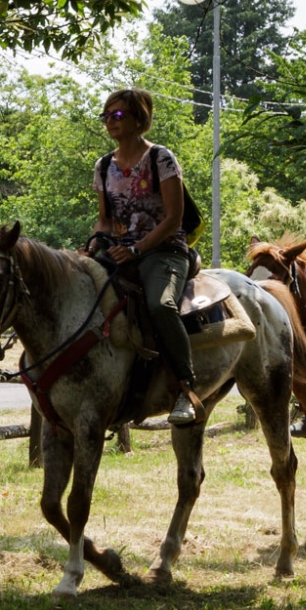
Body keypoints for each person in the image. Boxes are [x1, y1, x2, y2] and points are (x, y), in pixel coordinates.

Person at [91, 88, 197, 425]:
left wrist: (138, 248)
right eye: (106, 116)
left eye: (117, 115)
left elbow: (174, 218)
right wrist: (93, 244)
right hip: (119, 251)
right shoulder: (103, 165)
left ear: (140, 118)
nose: (110, 121)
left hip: (164, 250)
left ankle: (185, 389)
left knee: (160, 306)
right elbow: (105, 219)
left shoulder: (161, 159)